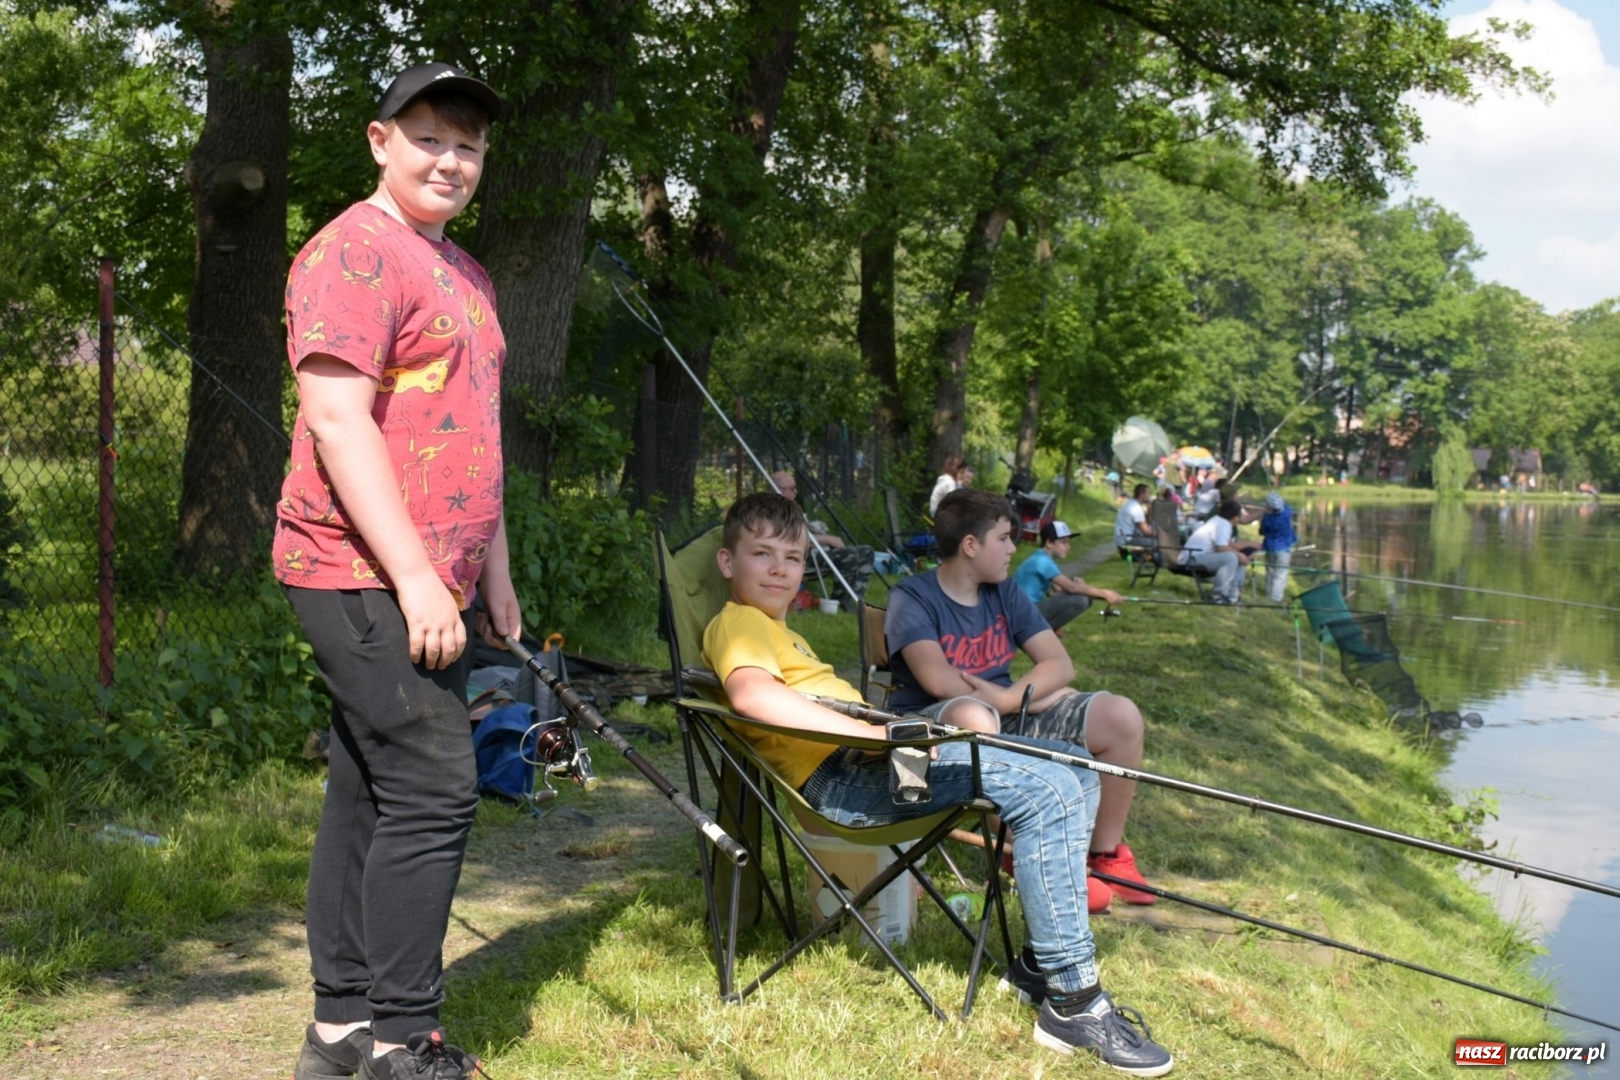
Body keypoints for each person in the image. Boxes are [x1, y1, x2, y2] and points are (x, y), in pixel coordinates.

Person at [702, 492, 1174, 1076]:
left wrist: (890, 738)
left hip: (881, 761)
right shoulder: (736, 624)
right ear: (727, 563)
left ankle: (1038, 962)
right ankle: (1074, 1003)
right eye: (762, 554)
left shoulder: (775, 630)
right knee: (1048, 788)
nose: (779, 569)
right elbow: (752, 696)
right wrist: (879, 739)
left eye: (792, 558)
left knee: (1076, 767)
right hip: (849, 781)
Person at [273, 63, 515, 1080]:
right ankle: (402, 1041)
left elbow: (475, 428)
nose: (450, 159)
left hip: (436, 577)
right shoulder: (353, 254)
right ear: (380, 142)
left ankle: (339, 1032)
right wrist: (418, 579)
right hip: (354, 568)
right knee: (433, 784)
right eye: (429, 138)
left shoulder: (463, 269)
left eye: (466, 144)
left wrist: (493, 571)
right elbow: (336, 419)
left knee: (370, 786)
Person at [886, 489, 1157, 914]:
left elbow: (1059, 664)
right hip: (935, 728)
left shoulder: (1005, 592)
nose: (1014, 548)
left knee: (1119, 716)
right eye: (1004, 538)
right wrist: (1025, 699)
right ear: (971, 546)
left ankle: (1105, 858)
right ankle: (1026, 850)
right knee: (976, 715)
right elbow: (938, 680)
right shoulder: (913, 596)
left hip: (1007, 713)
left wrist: (1015, 698)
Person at [771, 469, 873, 605]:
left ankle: (855, 597)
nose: (795, 492)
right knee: (850, 555)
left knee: (867, 551)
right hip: (799, 558)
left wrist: (818, 533)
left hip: (815, 552)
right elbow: (790, 538)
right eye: (792, 488)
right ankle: (840, 601)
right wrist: (828, 539)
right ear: (779, 490)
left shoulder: (792, 509)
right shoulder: (770, 512)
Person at [1013, 521, 1125, 633]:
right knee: (1080, 600)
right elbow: (1071, 588)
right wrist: (1105, 593)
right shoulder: (1042, 561)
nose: (1068, 547)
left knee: (1085, 597)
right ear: (1049, 543)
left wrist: (1082, 587)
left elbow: (1060, 589)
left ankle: (1044, 631)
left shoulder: (1042, 558)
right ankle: (1041, 632)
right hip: (1022, 615)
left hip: (1024, 612)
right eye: (1064, 542)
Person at [1181, 499, 1249, 605]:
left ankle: (1233, 597)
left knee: (1237, 559)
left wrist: (1242, 555)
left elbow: (1228, 545)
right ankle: (1219, 596)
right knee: (1231, 558)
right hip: (1193, 557)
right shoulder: (1223, 524)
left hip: (1200, 556)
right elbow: (1221, 548)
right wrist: (1240, 555)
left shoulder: (1219, 520)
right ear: (1236, 518)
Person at [1257, 491, 1297, 603]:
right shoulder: (1287, 513)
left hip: (1270, 548)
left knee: (1270, 571)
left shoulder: (1267, 518)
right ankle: (1276, 598)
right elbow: (1286, 505)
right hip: (1284, 549)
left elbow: (1262, 531)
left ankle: (1269, 594)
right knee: (1280, 574)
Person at [1113, 483, 1154, 555]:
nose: (1149, 496)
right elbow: (1146, 532)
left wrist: (1149, 508)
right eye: (1148, 494)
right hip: (1127, 541)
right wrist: (1161, 535)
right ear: (1142, 494)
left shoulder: (1131, 504)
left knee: (1155, 538)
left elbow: (1148, 522)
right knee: (1157, 542)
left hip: (1123, 539)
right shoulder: (1136, 508)